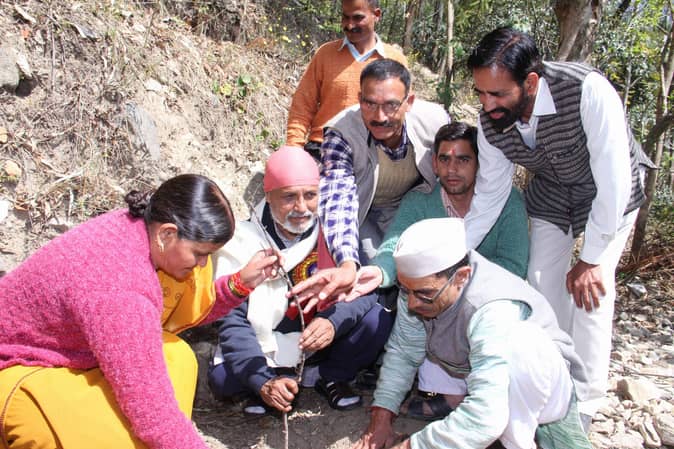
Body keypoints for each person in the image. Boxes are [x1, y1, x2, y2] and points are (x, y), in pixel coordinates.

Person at [0, 174, 280, 449]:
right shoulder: (121, 287)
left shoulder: (139, 230)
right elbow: (154, 416)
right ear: (167, 233)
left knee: (177, 357)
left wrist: (240, 283)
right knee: (94, 436)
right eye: (199, 253)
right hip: (16, 366)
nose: (202, 264)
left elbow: (183, 308)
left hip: (66, 355)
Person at [463, 26, 655, 425]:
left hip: (610, 192)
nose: (487, 104)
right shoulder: (490, 121)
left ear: (531, 83)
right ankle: (554, 379)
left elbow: (614, 181)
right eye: (480, 93)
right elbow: (490, 195)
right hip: (553, 192)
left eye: (497, 94)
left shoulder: (587, 90)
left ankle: (585, 401)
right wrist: (456, 252)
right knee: (540, 283)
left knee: (591, 290)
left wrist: (591, 259)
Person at [352, 217, 592, 449]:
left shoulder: (491, 308)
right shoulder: (419, 289)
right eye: (406, 290)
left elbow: (488, 417)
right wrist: (380, 420)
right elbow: (404, 352)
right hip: (488, 381)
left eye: (424, 294)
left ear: (461, 276)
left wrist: (411, 446)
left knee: (519, 350)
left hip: (547, 392)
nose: (412, 303)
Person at [207, 146, 393, 415]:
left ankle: (330, 376)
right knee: (224, 378)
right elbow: (232, 319)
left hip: (319, 342)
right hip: (266, 345)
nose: (302, 208)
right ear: (268, 196)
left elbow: (366, 287)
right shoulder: (242, 241)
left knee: (377, 319)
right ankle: (270, 384)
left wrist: (332, 322)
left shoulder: (335, 231)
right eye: (289, 197)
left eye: (310, 195)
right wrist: (261, 380)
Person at [367, 121, 529, 421]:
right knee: (415, 302)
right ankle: (437, 396)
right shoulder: (420, 201)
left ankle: (479, 401)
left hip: (486, 299)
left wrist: (458, 288)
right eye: (445, 159)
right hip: (434, 298)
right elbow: (394, 244)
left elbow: (514, 265)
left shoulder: (507, 201)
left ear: (480, 163)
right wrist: (380, 272)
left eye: (463, 159)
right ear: (434, 163)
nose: (452, 169)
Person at [291, 58, 449, 305]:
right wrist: (346, 262)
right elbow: (338, 199)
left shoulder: (436, 122)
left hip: (413, 209)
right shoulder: (342, 132)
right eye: (369, 104)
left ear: (409, 102)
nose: (380, 116)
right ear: (359, 98)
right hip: (364, 211)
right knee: (374, 272)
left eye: (391, 105)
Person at [286, 0, 407, 158]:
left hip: (375, 154)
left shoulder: (395, 60)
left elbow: (404, 113)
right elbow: (303, 105)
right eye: (345, 17)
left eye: (357, 18)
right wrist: (294, 148)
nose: (349, 25)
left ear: (376, 15)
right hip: (322, 149)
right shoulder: (325, 54)